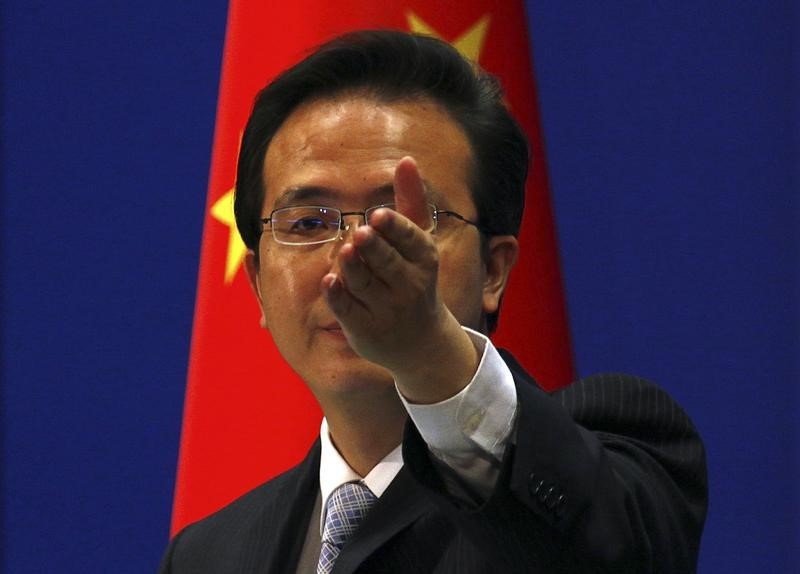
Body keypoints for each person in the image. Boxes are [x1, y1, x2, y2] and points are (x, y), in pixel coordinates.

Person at [159, 30, 707, 573]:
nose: (352, 259)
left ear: (494, 270)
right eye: (307, 223)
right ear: (256, 282)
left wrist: (425, 353)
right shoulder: (208, 554)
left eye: (398, 220)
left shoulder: (623, 457)